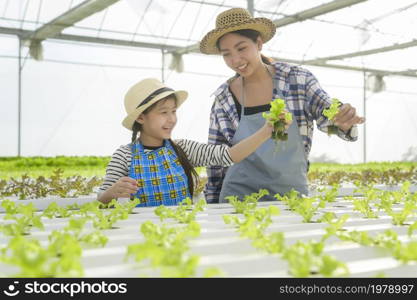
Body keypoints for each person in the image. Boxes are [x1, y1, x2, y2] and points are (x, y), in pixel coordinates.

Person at [199, 8, 365, 203]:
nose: (235, 60)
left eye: (241, 48)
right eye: (226, 54)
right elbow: (217, 159)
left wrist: (343, 122)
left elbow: (328, 116)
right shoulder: (224, 98)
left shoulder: (297, 79)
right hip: (238, 200)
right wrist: (213, 205)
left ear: (259, 43)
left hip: (291, 196)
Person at [97, 78, 283, 207]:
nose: (171, 119)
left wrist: (267, 131)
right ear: (140, 118)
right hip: (143, 234)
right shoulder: (124, 155)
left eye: (174, 111)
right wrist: (112, 192)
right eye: (163, 112)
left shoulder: (183, 149)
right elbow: (101, 199)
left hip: (183, 230)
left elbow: (229, 155)